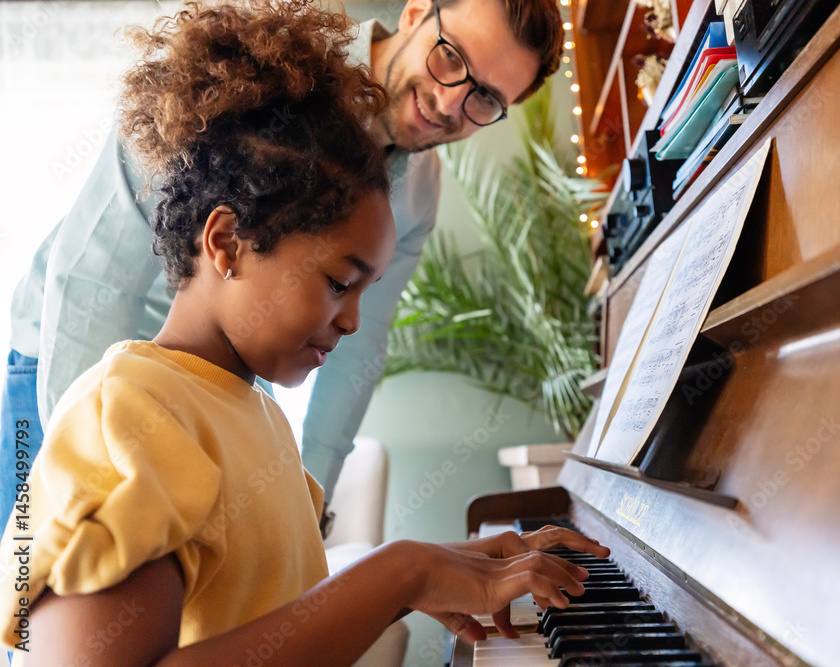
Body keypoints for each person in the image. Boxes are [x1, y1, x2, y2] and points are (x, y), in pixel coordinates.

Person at [0, 3, 607, 664]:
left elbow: (266, 597)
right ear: (413, 17)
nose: (451, 99)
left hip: (208, 376)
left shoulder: (259, 409)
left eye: (486, 96)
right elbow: (92, 280)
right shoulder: (248, 99)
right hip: (87, 363)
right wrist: (78, 462)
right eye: (452, 57)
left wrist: (385, 551)